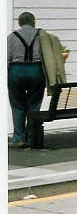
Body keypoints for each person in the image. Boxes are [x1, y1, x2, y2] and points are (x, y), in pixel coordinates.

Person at [7, 12, 47, 147]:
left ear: (19, 22)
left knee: (17, 104)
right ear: (33, 21)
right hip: (36, 70)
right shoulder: (41, 36)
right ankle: (31, 136)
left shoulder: (11, 37)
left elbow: (6, 58)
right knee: (34, 104)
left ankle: (18, 138)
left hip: (16, 71)